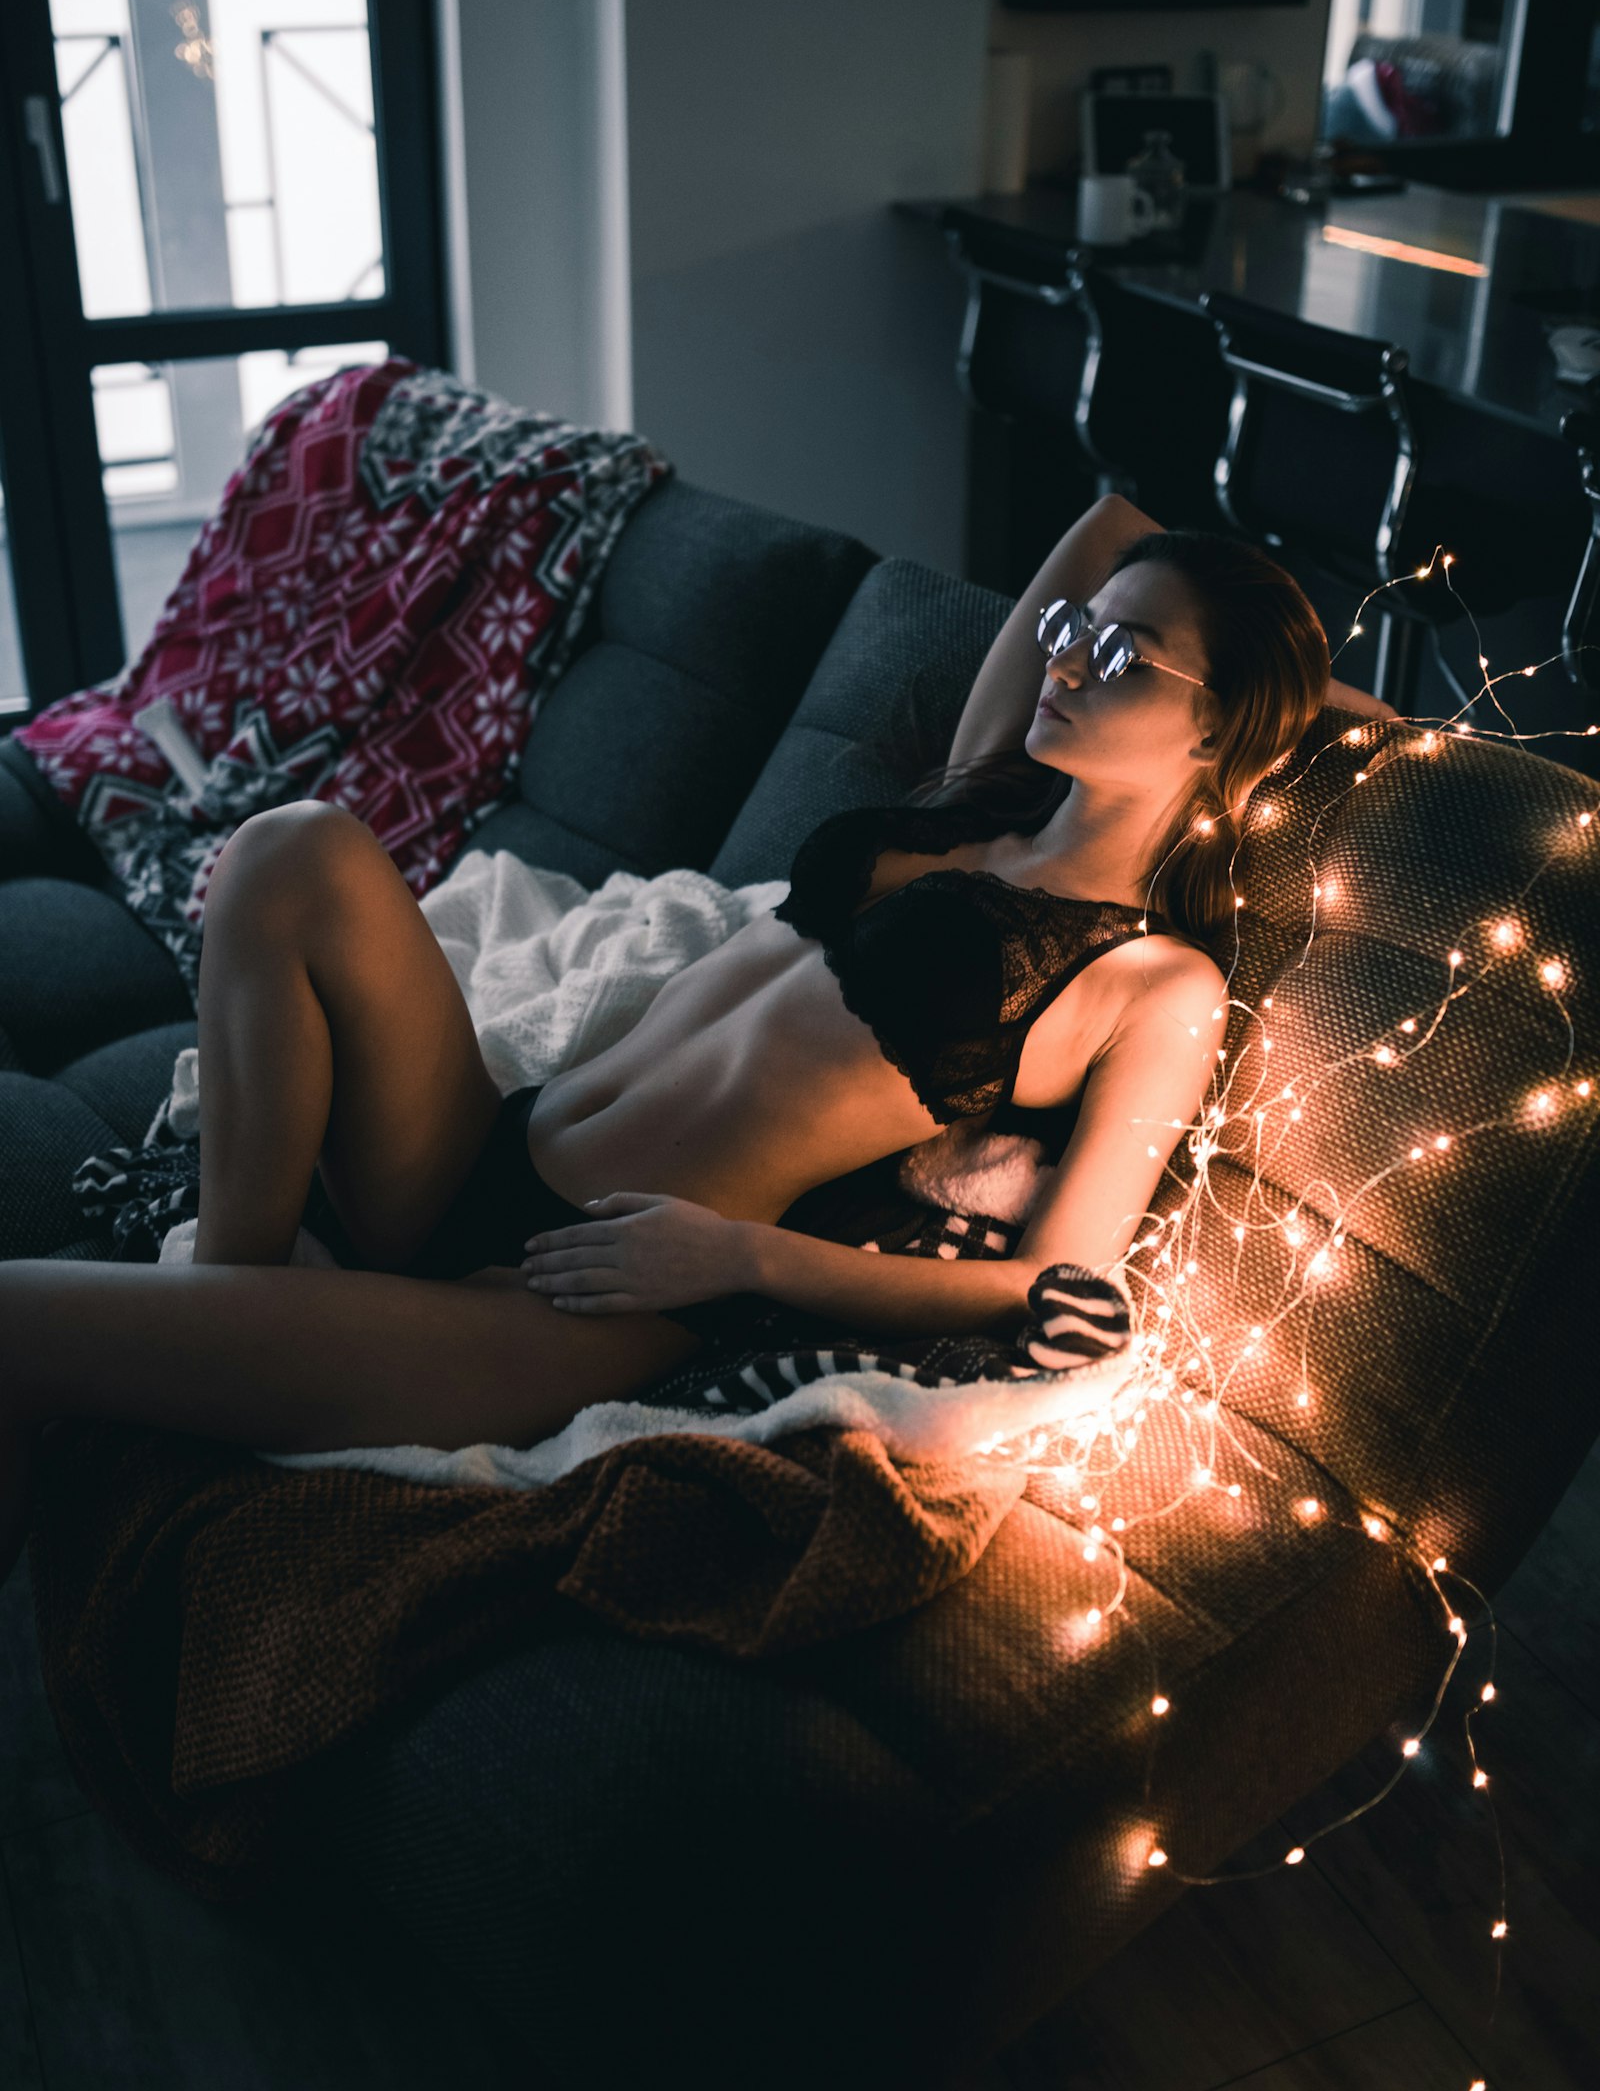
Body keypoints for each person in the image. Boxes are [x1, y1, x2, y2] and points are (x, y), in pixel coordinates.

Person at [0, 492, 1377, 1581]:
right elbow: (1111, 522)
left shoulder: (1155, 983)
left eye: (1122, 657)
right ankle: (231, 1299)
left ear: (1219, 734)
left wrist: (739, 1257)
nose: (1069, 663)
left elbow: (1059, 1292)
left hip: (576, 1305)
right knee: (286, 849)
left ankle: (217, 1349)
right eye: (1076, 632)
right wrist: (1182, 646)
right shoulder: (979, 801)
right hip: (481, 1142)